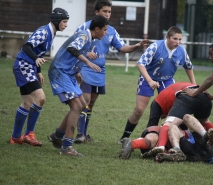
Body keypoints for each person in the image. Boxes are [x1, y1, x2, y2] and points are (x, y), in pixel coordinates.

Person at [73, 0, 149, 143]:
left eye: (109, 12)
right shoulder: (84, 27)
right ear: (96, 12)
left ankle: (84, 134)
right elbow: (73, 46)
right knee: (85, 100)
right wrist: (86, 53)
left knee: (91, 103)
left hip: (100, 71)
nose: (107, 14)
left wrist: (136, 46)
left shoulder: (111, 30)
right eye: (104, 11)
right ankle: (79, 135)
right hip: (85, 68)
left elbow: (122, 47)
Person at [118, 26, 196, 143]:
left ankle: (177, 138)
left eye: (180, 39)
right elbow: (140, 64)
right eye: (175, 39)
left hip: (167, 80)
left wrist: (194, 85)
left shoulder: (182, 51)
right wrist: (149, 80)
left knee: (174, 110)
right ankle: (124, 137)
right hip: (148, 78)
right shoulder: (155, 47)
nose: (178, 42)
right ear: (167, 37)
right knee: (139, 110)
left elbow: (188, 67)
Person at [47, 15, 108, 156]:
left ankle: (57, 135)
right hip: (60, 71)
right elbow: (73, 49)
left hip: (69, 73)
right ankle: (67, 147)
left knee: (81, 104)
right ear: (97, 29)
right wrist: (87, 62)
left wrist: (77, 70)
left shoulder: (90, 39)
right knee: (76, 106)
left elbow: (76, 54)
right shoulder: (85, 35)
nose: (105, 33)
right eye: (104, 30)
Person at [9, 8, 69, 146]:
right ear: (57, 20)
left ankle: (16, 137)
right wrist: (35, 60)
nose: (66, 25)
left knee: (27, 103)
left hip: (28, 67)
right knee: (40, 98)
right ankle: (29, 134)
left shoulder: (51, 32)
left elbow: (39, 52)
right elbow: (27, 47)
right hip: (24, 66)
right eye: (64, 22)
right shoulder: (43, 32)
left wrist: (38, 71)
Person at [149, 85, 213, 155]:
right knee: (196, 119)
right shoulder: (170, 98)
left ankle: (161, 147)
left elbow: (151, 128)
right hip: (204, 94)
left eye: (162, 117)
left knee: (168, 124)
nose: (162, 118)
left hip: (187, 94)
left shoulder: (156, 104)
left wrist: (165, 123)